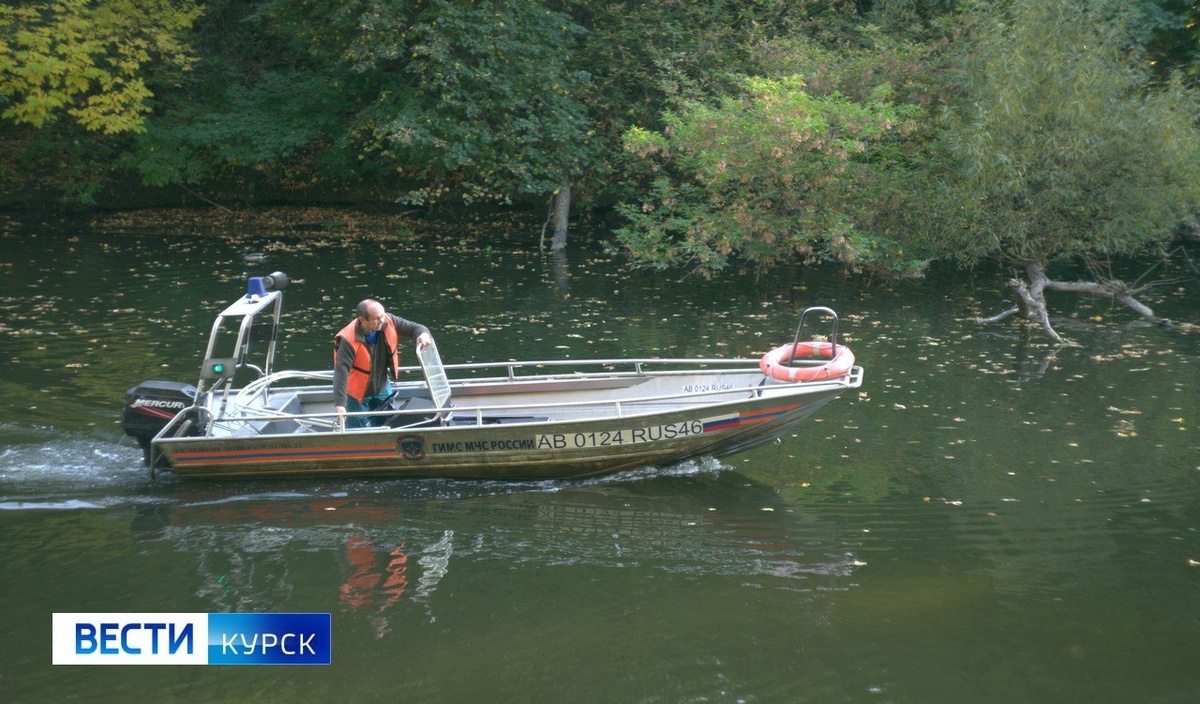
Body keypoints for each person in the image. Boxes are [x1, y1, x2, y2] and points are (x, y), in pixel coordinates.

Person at [333, 299, 433, 428]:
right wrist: (340, 404)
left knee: (388, 422)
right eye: (376, 318)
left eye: (382, 316)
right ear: (362, 320)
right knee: (358, 428)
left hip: (381, 386)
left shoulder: (388, 320)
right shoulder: (347, 340)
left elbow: (416, 328)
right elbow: (340, 373)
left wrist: (423, 334)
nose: (382, 321)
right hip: (357, 393)